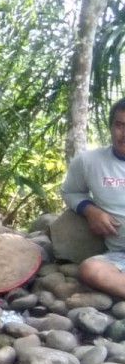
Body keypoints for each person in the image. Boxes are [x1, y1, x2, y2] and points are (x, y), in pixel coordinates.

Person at [61, 97, 125, 299]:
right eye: (119, 125)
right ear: (110, 127)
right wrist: (90, 210)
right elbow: (70, 191)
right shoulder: (89, 162)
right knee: (90, 269)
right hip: (120, 255)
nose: (124, 134)